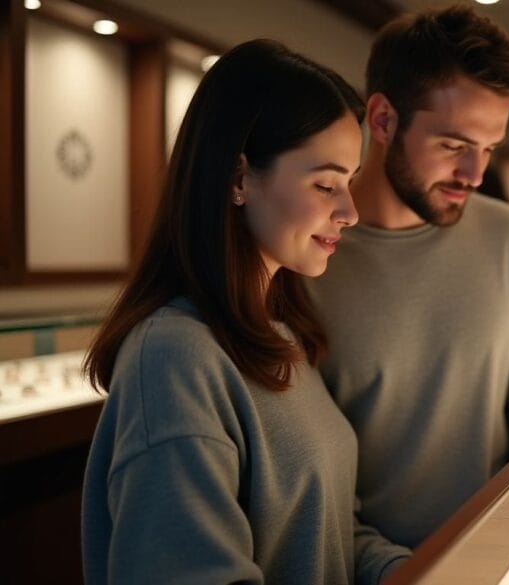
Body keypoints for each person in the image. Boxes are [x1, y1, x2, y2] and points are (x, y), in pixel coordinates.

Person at [81, 40, 408, 584]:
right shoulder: (174, 358)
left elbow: (329, 532)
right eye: (326, 184)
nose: (349, 211)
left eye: (348, 184)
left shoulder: (280, 336)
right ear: (238, 180)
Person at [308, 5, 509, 549]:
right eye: (453, 146)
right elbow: (301, 475)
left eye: (489, 149)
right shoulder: (306, 256)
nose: (474, 175)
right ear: (382, 120)